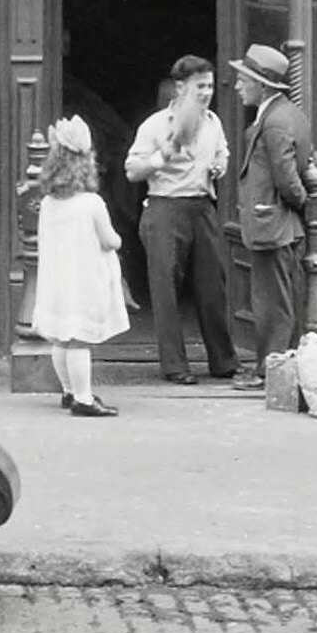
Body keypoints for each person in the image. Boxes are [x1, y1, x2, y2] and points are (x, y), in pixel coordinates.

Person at [124, 55, 238, 386]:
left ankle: (223, 362)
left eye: (210, 86)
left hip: (202, 207)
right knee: (166, 290)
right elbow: (132, 170)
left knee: (212, 286)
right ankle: (174, 365)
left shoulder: (213, 122)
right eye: (199, 86)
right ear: (180, 87)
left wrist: (219, 166)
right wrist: (161, 157)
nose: (207, 93)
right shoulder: (155, 125)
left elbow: (223, 153)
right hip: (165, 208)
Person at [229, 41, 317, 373]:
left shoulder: (274, 122)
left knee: (272, 303)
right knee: (280, 299)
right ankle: (277, 368)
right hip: (276, 220)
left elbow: (287, 180)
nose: (237, 86)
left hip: (272, 222)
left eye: (243, 80)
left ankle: (270, 370)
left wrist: (303, 205)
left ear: (262, 86)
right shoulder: (287, 113)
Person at [27, 119, 129, 417]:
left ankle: (69, 391)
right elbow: (109, 240)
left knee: (62, 337)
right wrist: (119, 240)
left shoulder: (49, 202)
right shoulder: (91, 203)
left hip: (59, 279)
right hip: (85, 279)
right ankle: (84, 399)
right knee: (80, 340)